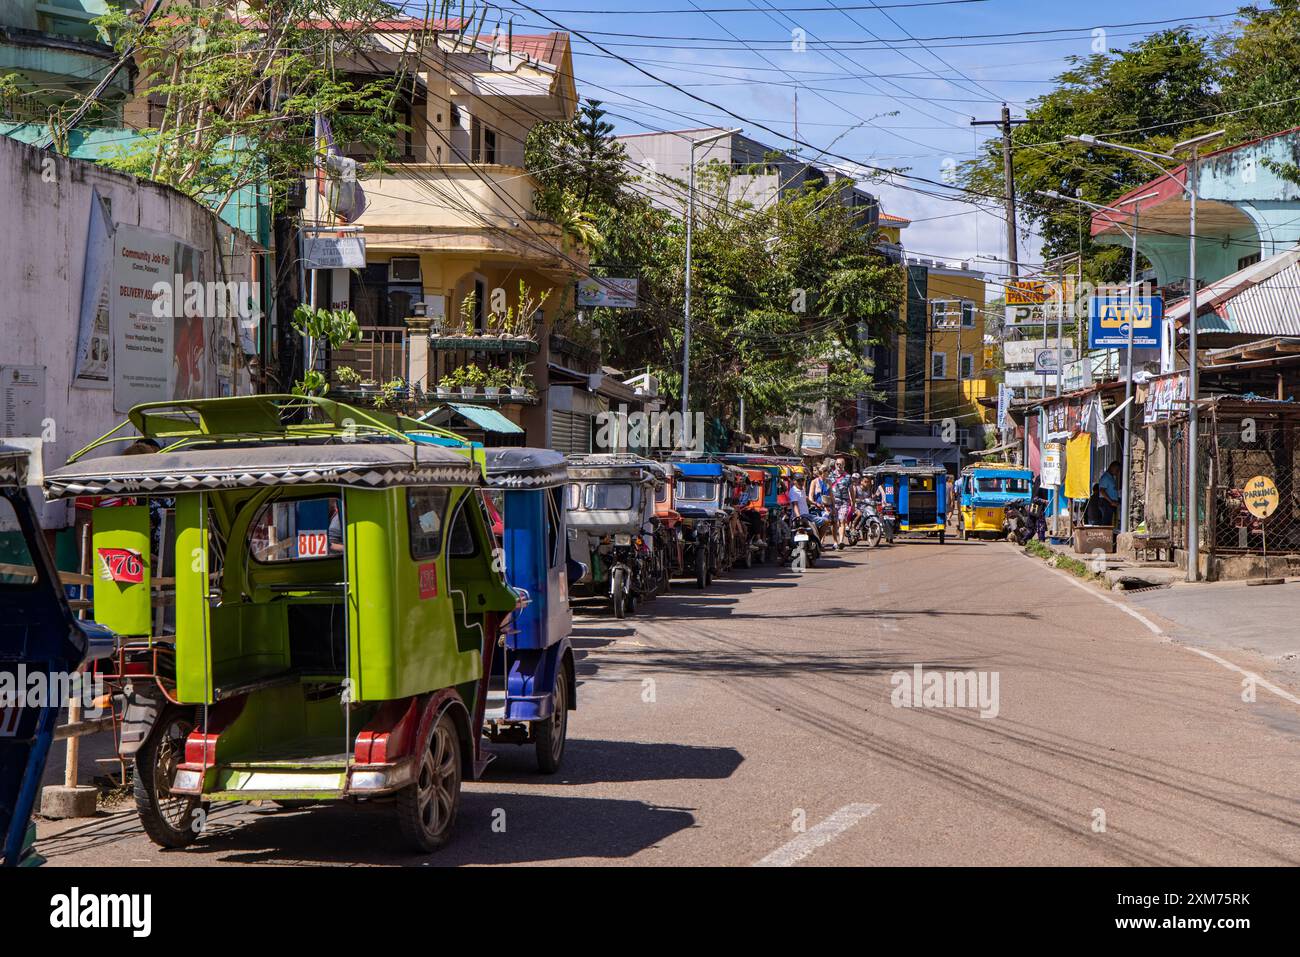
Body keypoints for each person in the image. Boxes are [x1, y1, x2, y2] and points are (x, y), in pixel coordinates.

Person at [1098, 461, 1121, 526]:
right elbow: (1102, 491)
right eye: (1116, 470)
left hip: (1110, 503)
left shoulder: (1111, 477)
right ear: (1112, 467)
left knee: (1110, 523)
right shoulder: (1106, 477)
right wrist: (1111, 501)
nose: (1117, 472)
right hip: (1106, 503)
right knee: (1106, 523)